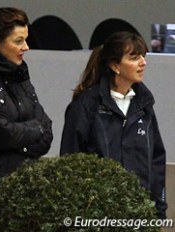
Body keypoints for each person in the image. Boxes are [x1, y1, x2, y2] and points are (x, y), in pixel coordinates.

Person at [60, 31, 167, 219]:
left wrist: (158, 211)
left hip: (140, 214)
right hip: (97, 217)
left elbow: (156, 160)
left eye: (143, 56)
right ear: (115, 65)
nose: (143, 62)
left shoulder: (144, 105)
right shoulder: (86, 105)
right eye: (134, 58)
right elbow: (70, 162)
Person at [0, 7, 53, 186]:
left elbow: (47, 132)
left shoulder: (20, 74)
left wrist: (19, 139)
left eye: (26, 40)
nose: (26, 47)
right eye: (18, 41)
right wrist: (34, 129)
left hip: (28, 182)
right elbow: (1, 133)